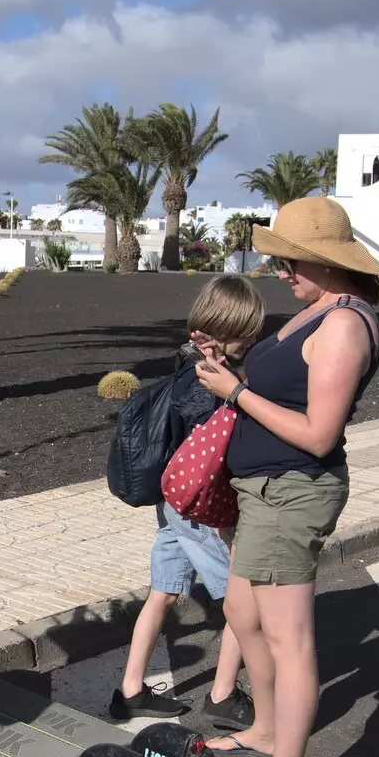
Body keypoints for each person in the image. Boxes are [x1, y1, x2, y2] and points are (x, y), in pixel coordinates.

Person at [191, 197, 379, 757]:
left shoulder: (344, 325)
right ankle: (269, 729)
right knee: (242, 611)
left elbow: (319, 434)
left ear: (324, 262)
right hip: (264, 491)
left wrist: (236, 391)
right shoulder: (319, 312)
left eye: (290, 261)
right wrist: (229, 366)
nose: (281, 272)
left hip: (290, 492)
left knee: (290, 640)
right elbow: (282, 382)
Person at [111, 275, 264, 722]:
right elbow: (217, 433)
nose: (256, 337)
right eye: (250, 329)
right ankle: (222, 695)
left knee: (163, 592)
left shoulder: (188, 358)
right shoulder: (211, 379)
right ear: (233, 327)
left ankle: (131, 689)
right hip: (201, 506)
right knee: (242, 597)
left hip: (173, 499)